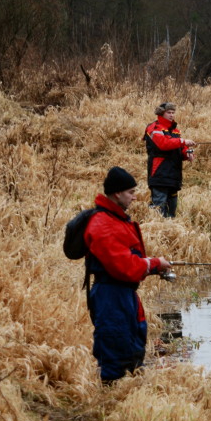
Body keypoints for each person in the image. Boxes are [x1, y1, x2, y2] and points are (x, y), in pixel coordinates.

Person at [84, 166, 172, 383]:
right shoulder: (103, 224)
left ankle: (131, 393)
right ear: (117, 193)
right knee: (115, 351)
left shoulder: (115, 219)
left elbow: (129, 263)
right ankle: (110, 401)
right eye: (131, 192)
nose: (134, 197)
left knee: (133, 348)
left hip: (124, 294)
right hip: (110, 297)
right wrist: (154, 263)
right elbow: (125, 266)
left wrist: (153, 266)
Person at [143, 102, 196, 218]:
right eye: (169, 112)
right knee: (158, 209)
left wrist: (187, 154)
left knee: (171, 211)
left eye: (173, 112)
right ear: (161, 113)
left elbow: (180, 148)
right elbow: (163, 144)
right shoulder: (153, 128)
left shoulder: (175, 131)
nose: (171, 115)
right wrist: (183, 141)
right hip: (159, 174)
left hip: (174, 176)